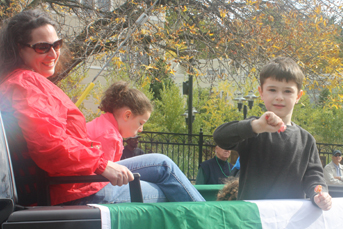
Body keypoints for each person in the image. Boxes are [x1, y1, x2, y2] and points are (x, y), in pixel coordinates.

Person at [0, 10, 204, 205]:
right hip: (72, 190)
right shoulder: (26, 84)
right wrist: (101, 164)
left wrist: (99, 164)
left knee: (163, 165)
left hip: (74, 180)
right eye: (42, 47)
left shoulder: (21, 83)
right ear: (18, 48)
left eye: (57, 44)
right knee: (168, 187)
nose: (53, 53)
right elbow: (50, 146)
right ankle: (214, 227)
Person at [213, 57, 332, 211]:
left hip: (290, 219)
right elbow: (220, 137)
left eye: (288, 91)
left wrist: (320, 194)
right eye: (272, 89)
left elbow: (314, 177)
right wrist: (256, 126)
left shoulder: (306, 140)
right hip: (254, 218)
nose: (279, 97)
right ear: (261, 92)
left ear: (298, 96)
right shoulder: (253, 130)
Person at [87, 81, 151, 162]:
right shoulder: (108, 136)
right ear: (127, 115)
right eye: (140, 123)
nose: (141, 129)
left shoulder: (104, 125)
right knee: (163, 164)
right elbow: (104, 173)